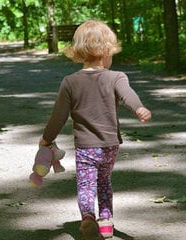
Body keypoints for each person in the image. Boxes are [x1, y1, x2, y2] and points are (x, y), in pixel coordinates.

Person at [37, 20, 151, 239]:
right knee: (104, 181)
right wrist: (139, 108)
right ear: (107, 50)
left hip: (86, 148)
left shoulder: (70, 82)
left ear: (79, 52)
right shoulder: (117, 77)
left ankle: (88, 218)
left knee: (87, 184)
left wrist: (46, 139)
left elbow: (58, 117)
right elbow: (128, 95)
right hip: (110, 146)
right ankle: (106, 222)